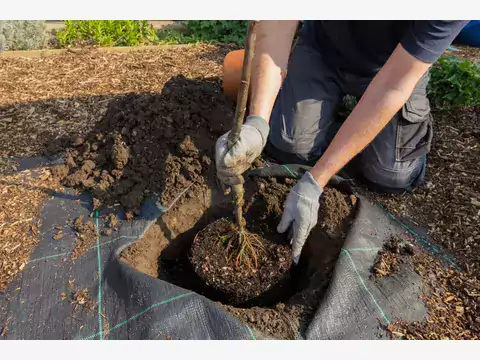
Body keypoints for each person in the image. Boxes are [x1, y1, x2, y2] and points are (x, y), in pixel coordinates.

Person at [215, 20, 468, 263]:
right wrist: (258, 122)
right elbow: (279, 21)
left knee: (392, 175)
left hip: (397, 65)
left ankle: (369, 127)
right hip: (325, 50)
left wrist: (317, 180)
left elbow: (393, 85)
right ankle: (345, 122)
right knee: (290, 146)